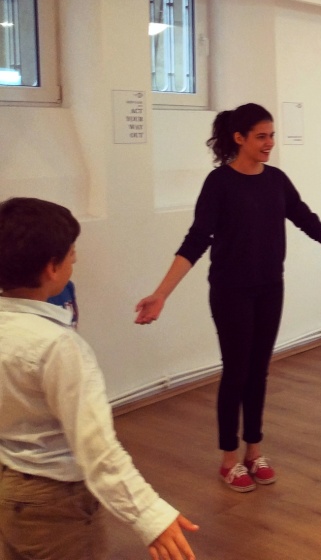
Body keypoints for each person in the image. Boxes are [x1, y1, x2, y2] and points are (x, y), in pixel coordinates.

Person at [134, 103, 321, 492]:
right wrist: (161, 294)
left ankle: (254, 452)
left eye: (271, 135)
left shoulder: (276, 180)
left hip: (270, 288)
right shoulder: (219, 184)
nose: (269, 143)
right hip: (230, 291)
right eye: (261, 137)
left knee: (259, 371)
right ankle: (229, 459)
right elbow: (196, 241)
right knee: (236, 372)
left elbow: (310, 223)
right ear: (239, 138)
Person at [0, 197, 198, 560]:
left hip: (11, 492)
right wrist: (150, 516)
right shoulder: (58, 347)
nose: (75, 259)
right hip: (56, 505)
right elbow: (97, 448)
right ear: (52, 268)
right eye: (71, 254)